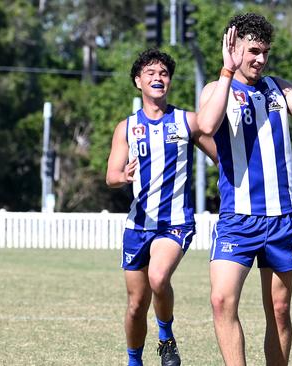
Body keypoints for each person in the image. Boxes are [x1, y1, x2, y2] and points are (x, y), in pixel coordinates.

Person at [196, 13, 292, 365]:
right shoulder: (217, 88)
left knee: (278, 309)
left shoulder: (278, 88)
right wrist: (226, 70)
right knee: (221, 300)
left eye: (265, 52)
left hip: (281, 219)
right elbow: (206, 125)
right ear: (235, 48)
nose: (260, 59)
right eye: (253, 51)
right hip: (237, 218)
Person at [106, 49, 217, 366]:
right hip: (138, 225)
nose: (158, 77)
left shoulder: (187, 121)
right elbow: (111, 176)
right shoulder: (126, 128)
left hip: (175, 223)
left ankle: (166, 338)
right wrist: (122, 177)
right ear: (138, 81)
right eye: (151, 73)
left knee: (158, 278)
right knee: (135, 304)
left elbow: (222, 160)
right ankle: (134, 360)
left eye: (164, 73)